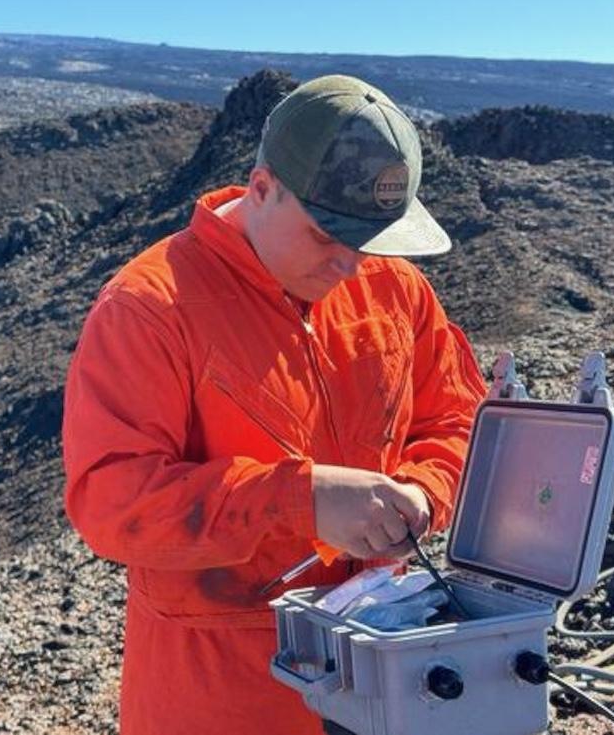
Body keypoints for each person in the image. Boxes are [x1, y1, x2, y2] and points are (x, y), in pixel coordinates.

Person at [62, 74, 487, 735]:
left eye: (370, 238)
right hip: (220, 694)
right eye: (328, 235)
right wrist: (302, 500)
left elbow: (458, 417)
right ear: (261, 188)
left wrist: (423, 491)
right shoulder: (149, 309)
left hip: (384, 672)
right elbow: (111, 502)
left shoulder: (395, 288)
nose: (351, 264)